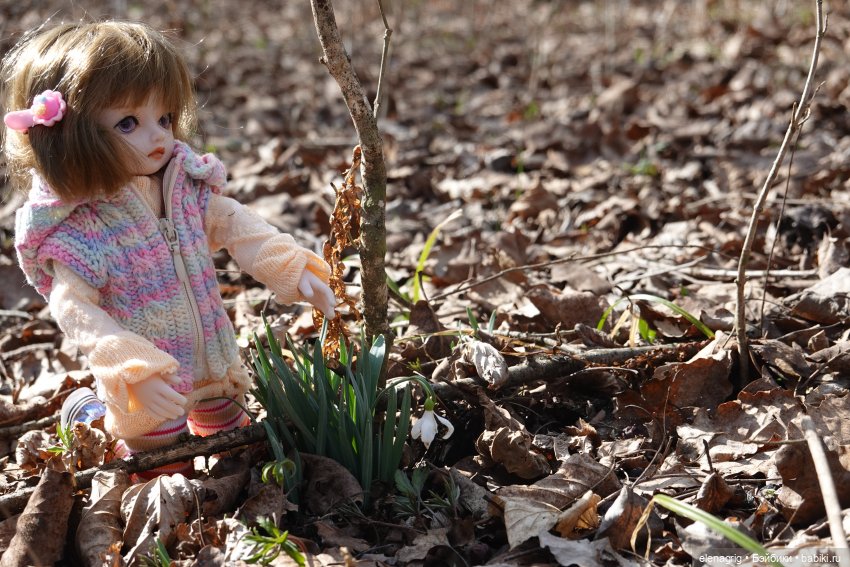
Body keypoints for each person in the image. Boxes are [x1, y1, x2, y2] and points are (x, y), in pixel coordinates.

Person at [2, 21, 336, 477]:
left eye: (164, 118)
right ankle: (89, 416)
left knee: (236, 450)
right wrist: (129, 368)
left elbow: (235, 224)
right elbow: (75, 308)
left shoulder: (183, 184)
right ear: (71, 136)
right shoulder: (82, 228)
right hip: (148, 380)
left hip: (214, 362)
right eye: (128, 123)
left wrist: (290, 266)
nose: (159, 136)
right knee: (161, 467)